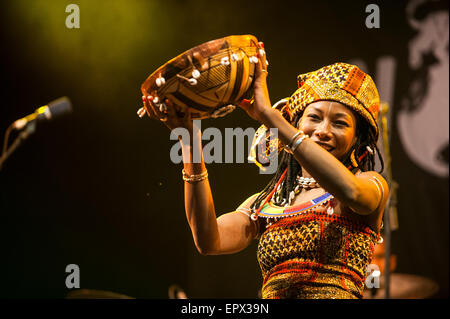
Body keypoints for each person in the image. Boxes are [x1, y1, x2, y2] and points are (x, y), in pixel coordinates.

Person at [142, 44, 389, 299]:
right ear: (297, 123)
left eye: (339, 123)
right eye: (314, 117)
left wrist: (269, 117)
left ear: (357, 137)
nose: (323, 130)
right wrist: (190, 140)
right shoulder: (268, 204)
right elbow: (208, 240)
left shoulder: (369, 184)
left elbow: (352, 193)